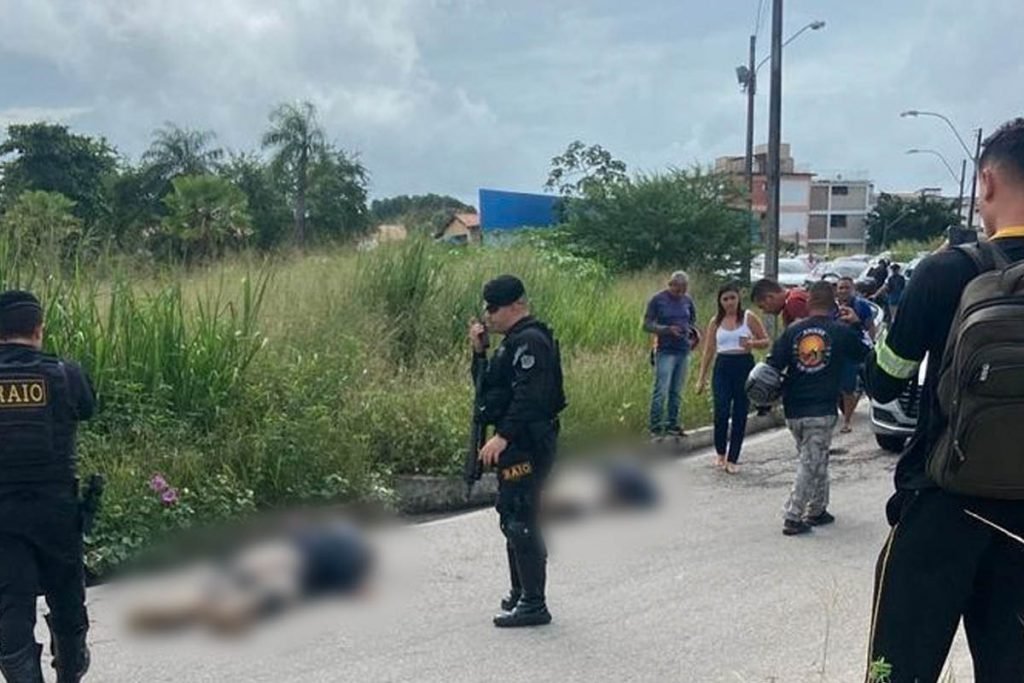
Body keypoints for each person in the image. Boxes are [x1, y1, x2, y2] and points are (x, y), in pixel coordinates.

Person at [864, 118, 1024, 682]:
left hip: (941, 501)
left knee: (897, 672)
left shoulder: (946, 271)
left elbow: (884, 382)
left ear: (986, 182)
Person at [0, 290, 95, 682]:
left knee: (10, 609)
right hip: (57, 512)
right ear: (38, 329)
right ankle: (69, 672)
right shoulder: (65, 374)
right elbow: (89, 407)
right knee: (68, 602)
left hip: (2, 516)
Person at [469, 275, 566, 628]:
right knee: (511, 513)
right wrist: (478, 352)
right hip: (518, 441)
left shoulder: (531, 342)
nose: (488, 315)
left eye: (493, 308)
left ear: (516, 306)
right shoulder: (511, 343)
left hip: (528, 441)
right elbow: (487, 390)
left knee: (522, 517)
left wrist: (504, 436)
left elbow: (530, 396)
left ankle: (534, 603)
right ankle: (521, 592)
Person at [766, 282, 868, 536]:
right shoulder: (841, 331)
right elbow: (865, 353)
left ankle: (818, 508)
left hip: (794, 408)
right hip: (821, 408)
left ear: (809, 302)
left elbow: (772, 365)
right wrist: (856, 323)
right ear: (834, 303)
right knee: (810, 462)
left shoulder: (792, 331)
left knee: (816, 458)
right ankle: (793, 514)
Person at [696, 283, 770, 473]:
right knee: (721, 410)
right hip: (723, 366)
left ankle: (733, 457)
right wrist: (701, 377)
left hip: (743, 364)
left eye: (732, 298)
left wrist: (752, 343)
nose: (729, 303)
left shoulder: (748, 317)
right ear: (720, 302)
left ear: (738, 299)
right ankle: (720, 451)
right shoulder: (715, 322)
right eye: (725, 299)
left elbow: (766, 341)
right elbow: (709, 350)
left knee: (740, 412)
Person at [643, 271, 698, 441]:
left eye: (683, 289)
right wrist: (666, 330)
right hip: (665, 349)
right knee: (661, 389)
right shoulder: (658, 300)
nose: (680, 293)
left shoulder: (687, 301)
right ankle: (656, 425)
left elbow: (692, 320)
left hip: (683, 349)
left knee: (677, 390)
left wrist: (691, 333)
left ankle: (672, 423)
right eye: (677, 289)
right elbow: (647, 325)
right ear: (671, 285)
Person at [835, 276, 876, 434]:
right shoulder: (832, 307)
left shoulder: (861, 306)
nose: (844, 291)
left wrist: (871, 345)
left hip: (855, 351)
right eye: (841, 288)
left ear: (853, 289)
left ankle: (847, 421)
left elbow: (870, 327)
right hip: (836, 351)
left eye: (847, 287)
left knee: (849, 387)